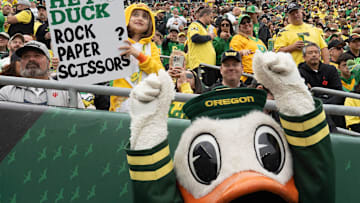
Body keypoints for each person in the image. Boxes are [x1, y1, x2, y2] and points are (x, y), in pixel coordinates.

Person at [109, 3, 163, 112]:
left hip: (146, 104)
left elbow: (159, 73)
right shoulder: (114, 41)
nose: (140, 18)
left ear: (150, 23)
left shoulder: (151, 46)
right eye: (136, 15)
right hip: (121, 103)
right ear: (126, 17)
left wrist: (139, 55)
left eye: (145, 17)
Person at [0, 41, 84, 108]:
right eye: (26, 56)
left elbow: (80, 123)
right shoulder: (6, 93)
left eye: (37, 55)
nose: (31, 59)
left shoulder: (67, 92)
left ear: (49, 62)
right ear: (20, 62)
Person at [230, 14, 267, 85]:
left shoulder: (259, 41)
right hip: (248, 76)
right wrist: (240, 52)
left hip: (263, 75)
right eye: (243, 23)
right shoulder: (237, 38)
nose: (246, 24)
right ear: (239, 27)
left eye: (248, 21)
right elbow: (232, 56)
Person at [167, 50, 202, 119]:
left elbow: (190, 103)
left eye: (188, 76)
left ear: (196, 84)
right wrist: (166, 78)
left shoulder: (198, 101)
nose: (183, 76)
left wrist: (185, 84)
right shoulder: (169, 95)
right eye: (181, 75)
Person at [187, 8, 216, 86]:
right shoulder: (195, 25)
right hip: (200, 65)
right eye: (211, 17)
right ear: (205, 15)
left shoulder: (204, 29)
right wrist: (209, 37)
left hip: (208, 66)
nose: (211, 20)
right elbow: (195, 38)